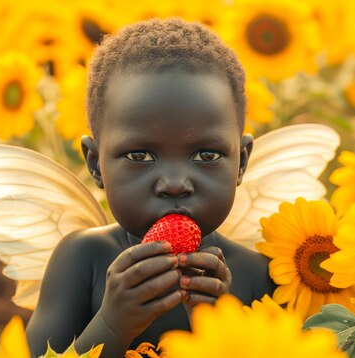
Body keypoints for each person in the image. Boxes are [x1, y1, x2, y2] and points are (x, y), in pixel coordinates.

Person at [25, 17, 276, 358]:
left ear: (242, 162)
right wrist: (112, 324)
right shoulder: (83, 260)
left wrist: (220, 328)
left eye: (206, 154)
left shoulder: (258, 273)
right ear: (95, 163)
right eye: (140, 155)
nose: (174, 184)